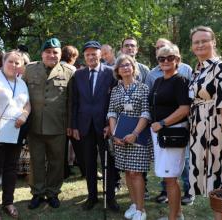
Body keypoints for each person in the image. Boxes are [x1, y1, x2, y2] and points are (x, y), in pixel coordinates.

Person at [188, 26, 222, 220]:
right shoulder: (199, 70)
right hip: (199, 131)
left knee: (220, 180)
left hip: (216, 130)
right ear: (192, 46)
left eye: (204, 40)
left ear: (214, 42)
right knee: (210, 180)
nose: (200, 44)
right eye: (196, 42)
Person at [22, 38, 74, 209]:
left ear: (60, 54)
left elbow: (71, 102)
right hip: (35, 125)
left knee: (56, 162)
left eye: (55, 52)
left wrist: (70, 125)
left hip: (58, 125)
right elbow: (21, 95)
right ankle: (37, 193)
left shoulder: (69, 71)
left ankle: (52, 193)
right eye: (48, 52)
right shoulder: (29, 69)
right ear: (42, 54)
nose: (52, 55)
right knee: (36, 161)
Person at [71, 41, 119, 211]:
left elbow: (115, 101)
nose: (91, 57)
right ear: (84, 57)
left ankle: (110, 198)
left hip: (105, 126)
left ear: (100, 54)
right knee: (89, 163)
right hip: (85, 126)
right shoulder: (78, 75)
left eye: (94, 54)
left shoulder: (111, 73)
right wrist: (74, 126)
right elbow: (75, 102)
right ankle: (92, 197)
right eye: (88, 54)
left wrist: (110, 124)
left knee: (109, 163)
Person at [0, 50, 30, 220]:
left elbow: (27, 104)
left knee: (11, 168)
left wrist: (24, 116)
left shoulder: (21, 83)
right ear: (3, 62)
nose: (13, 65)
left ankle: (8, 202)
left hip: (16, 129)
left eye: (17, 63)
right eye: (10, 61)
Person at [149, 39, 194, 206]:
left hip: (173, 133)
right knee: (167, 177)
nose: (166, 61)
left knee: (170, 179)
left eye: (170, 58)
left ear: (177, 60)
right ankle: (177, 214)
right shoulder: (158, 81)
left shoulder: (180, 80)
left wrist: (162, 123)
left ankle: (174, 217)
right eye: (162, 59)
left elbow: (184, 109)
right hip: (160, 134)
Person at [107, 54, 152, 220]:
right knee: (127, 171)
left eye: (128, 65)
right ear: (117, 71)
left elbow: (146, 113)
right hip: (120, 138)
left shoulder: (143, 88)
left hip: (138, 137)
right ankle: (134, 204)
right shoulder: (116, 90)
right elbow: (111, 112)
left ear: (134, 68)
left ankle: (141, 209)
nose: (125, 68)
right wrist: (114, 134)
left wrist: (135, 134)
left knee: (136, 173)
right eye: (122, 66)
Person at [120, 37, 153, 199]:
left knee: (139, 160)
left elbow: (148, 94)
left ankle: (143, 188)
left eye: (132, 46)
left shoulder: (145, 70)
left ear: (137, 49)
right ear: (121, 49)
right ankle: (129, 192)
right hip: (122, 121)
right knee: (125, 163)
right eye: (126, 46)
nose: (130, 48)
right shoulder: (116, 68)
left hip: (140, 121)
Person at [60, 45, 80, 178]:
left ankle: (64, 170)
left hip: (58, 114)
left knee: (61, 146)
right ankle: (84, 169)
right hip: (71, 112)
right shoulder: (73, 70)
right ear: (73, 57)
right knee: (77, 144)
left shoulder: (56, 68)